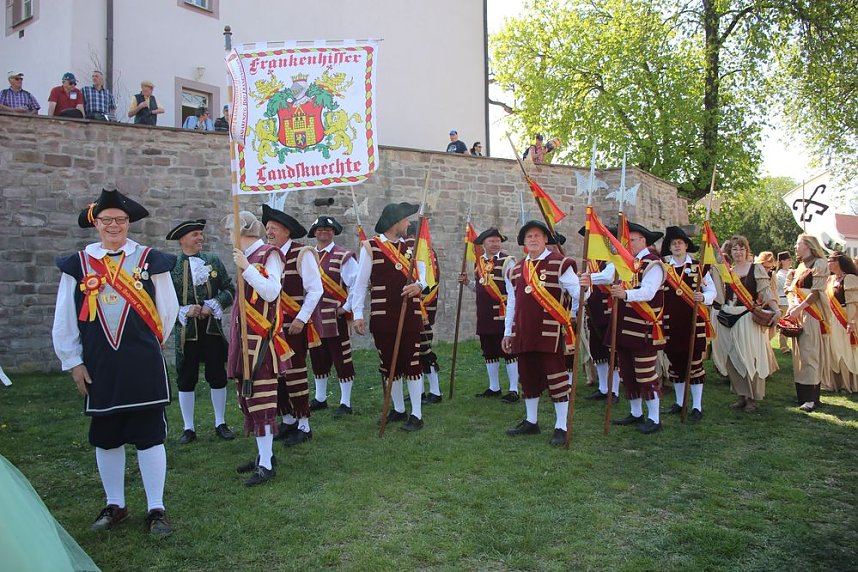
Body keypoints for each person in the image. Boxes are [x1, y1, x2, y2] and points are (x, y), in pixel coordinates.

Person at [52, 188, 179, 536]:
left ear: (128, 223)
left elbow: (168, 311)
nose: (114, 226)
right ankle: (116, 504)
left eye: (120, 220)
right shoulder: (78, 265)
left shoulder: (151, 259)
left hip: (142, 364)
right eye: (106, 220)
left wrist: (146, 346)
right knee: (106, 435)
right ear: (95, 223)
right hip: (99, 365)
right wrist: (73, 360)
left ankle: (156, 508)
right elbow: (64, 317)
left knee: (150, 436)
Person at [580, 222, 666, 434]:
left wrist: (626, 294)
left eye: (632, 240)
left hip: (642, 327)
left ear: (643, 240)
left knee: (646, 375)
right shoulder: (628, 262)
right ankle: (636, 413)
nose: (628, 244)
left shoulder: (653, 264)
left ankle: (655, 418)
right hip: (623, 326)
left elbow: (648, 291)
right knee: (627, 373)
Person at [351, 202, 428, 432]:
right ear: (395, 222)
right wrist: (357, 314)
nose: (408, 224)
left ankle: (416, 414)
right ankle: (398, 409)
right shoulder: (371, 247)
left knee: (412, 361)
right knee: (388, 364)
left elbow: (424, 276)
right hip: (383, 315)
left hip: (410, 314)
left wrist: (418, 286)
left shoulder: (412, 247)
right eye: (405, 220)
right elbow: (360, 284)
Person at [502, 221, 579, 446]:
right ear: (524, 243)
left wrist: (571, 312)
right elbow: (513, 303)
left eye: (537, 235)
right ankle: (531, 421)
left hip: (550, 333)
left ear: (546, 239)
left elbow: (577, 292)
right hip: (524, 332)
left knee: (557, 379)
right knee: (528, 378)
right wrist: (508, 332)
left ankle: (561, 426)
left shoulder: (561, 263)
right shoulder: (515, 270)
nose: (533, 239)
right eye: (529, 237)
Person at [226, 211, 287, 486]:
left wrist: (247, 269)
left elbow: (272, 292)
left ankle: (266, 464)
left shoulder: (268, 254)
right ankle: (265, 455)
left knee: (261, 399)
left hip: (261, 340)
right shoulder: (247, 256)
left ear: (243, 230)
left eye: (231, 231)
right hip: (244, 338)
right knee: (248, 399)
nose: (229, 236)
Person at [166, 219, 236, 445]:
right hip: (186, 333)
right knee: (186, 378)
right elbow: (164, 301)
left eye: (201, 235)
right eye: (195, 235)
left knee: (217, 375)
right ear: (182, 239)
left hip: (211, 330)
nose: (200, 238)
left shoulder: (213, 261)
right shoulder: (171, 266)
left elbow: (229, 289)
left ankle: (220, 422)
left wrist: (213, 303)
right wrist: (184, 310)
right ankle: (188, 427)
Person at [262, 204, 323, 446]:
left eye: (273, 228)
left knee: (296, 373)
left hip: (294, 325)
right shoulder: (268, 255)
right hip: (272, 326)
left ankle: (304, 425)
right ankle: (287, 420)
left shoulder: (302, 253)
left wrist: (301, 318)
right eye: (267, 228)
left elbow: (315, 289)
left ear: (286, 231)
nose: (269, 232)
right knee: (277, 375)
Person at [718, 235, 779, 413]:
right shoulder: (728, 271)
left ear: (747, 250)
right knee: (733, 357)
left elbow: (765, 291)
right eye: (735, 249)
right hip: (729, 315)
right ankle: (741, 395)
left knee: (750, 357)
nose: (738, 252)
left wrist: (775, 309)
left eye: (742, 248)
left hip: (746, 317)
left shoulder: (756, 269)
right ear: (730, 252)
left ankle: (753, 398)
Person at [660, 226, 716, 421]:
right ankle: (679, 402)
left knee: (694, 364)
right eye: (673, 243)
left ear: (686, 246)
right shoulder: (664, 269)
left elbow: (712, 292)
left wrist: (704, 297)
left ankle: (697, 406)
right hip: (671, 323)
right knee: (676, 364)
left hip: (694, 321)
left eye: (680, 243)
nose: (677, 246)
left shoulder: (698, 268)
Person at [458, 227, 520, 402]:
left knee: (509, 352)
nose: (495, 244)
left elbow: (513, 291)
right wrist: (468, 283)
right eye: (492, 241)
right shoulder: (479, 263)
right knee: (489, 351)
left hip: (503, 314)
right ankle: (494, 387)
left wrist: (512, 316)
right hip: (484, 315)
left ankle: (514, 389)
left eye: (498, 240)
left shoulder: (508, 261)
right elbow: (480, 290)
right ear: (484, 243)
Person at [306, 215, 359, 415]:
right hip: (314, 317)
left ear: (333, 232)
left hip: (336, 318)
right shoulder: (308, 256)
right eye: (319, 230)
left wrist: (346, 308)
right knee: (318, 357)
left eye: (327, 230)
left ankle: (345, 402)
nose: (323, 233)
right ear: (314, 233)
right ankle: (320, 398)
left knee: (341, 357)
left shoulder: (343, 256)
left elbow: (355, 285)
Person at [787, 233, 831, 411]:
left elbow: (816, 293)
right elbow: (793, 289)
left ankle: (812, 398)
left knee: (809, 353)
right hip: (799, 312)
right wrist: (793, 306)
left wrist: (800, 307)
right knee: (799, 355)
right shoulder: (800, 266)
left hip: (811, 314)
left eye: (799, 244)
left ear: (809, 245)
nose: (796, 247)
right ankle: (802, 395)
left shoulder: (820, 264)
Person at [578, 226, 621, 403]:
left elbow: (608, 277)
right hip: (593, 312)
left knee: (612, 352)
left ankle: (615, 390)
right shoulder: (590, 262)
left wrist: (586, 277)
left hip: (610, 312)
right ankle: (603, 388)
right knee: (598, 352)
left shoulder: (613, 259)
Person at [824, 252, 858, 392]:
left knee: (847, 350)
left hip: (845, 318)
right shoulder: (830, 279)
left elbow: (853, 303)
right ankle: (835, 383)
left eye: (830, 260)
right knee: (834, 349)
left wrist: (851, 321)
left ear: (839, 262)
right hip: (832, 319)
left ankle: (849, 384)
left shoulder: (850, 278)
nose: (828, 263)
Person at [775, 251, 794, 353]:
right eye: (788, 260)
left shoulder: (791, 271)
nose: (790, 261)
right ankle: (783, 346)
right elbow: (784, 286)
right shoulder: (779, 274)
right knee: (784, 324)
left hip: (790, 301)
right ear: (782, 261)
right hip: (783, 301)